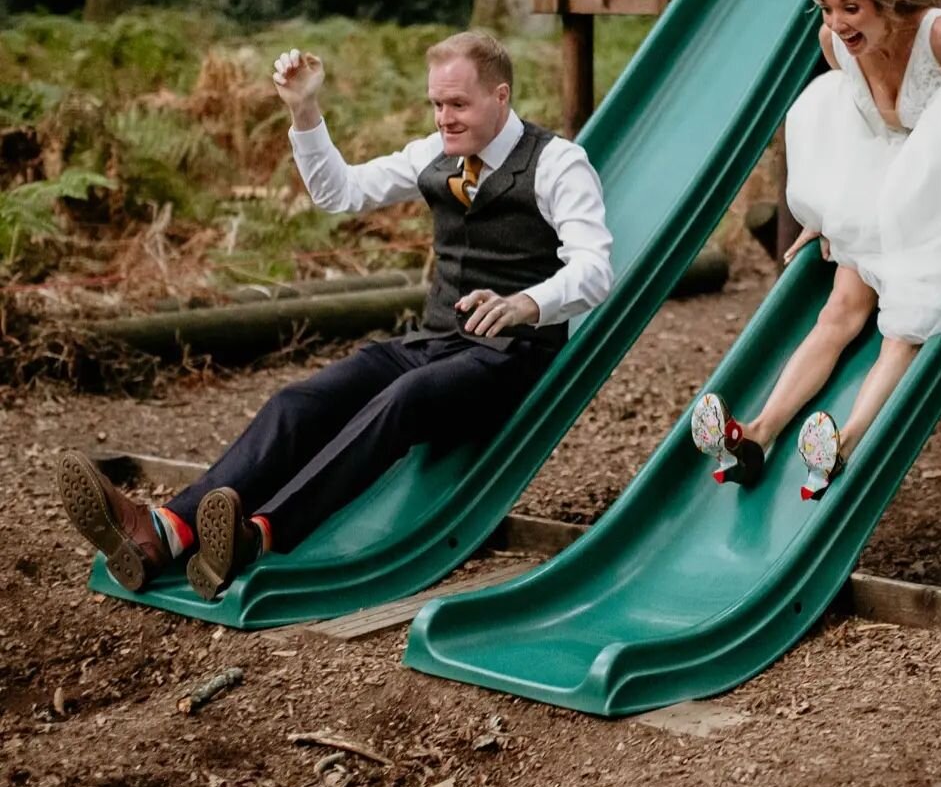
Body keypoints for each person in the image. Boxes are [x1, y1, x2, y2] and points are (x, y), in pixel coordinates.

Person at [58, 30, 613, 599]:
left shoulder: (557, 164)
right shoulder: (434, 154)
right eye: (437, 104)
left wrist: (526, 303)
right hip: (439, 340)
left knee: (403, 399)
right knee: (301, 401)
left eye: (458, 105)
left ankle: (261, 535)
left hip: (514, 357)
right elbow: (339, 192)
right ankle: (166, 532)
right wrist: (304, 110)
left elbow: (595, 267)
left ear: (501, 97)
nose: (444, 118)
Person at [691, 0, 941, 499]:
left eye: (851, 8)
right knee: (838, 313)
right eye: (828, 8)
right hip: (884, 177)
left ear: (887, 1)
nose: (837, 23)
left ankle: (847, 440)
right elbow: (850, 123)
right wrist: (831, 206)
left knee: (906, 319)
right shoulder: (836, 45)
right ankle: (757, 435)